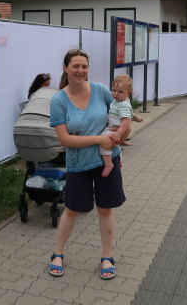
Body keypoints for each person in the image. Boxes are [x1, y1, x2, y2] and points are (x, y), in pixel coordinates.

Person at [48, 49, 128, 280]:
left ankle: (107, 257)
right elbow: (64, 139)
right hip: (78, 165)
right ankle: (58, 253)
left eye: (84, 66)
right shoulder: (58, 100)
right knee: (72, 210)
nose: (81, 71)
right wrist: (98, 139)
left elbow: (121, 115)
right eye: (76, 66)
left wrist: (123, 130)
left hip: (108, 161)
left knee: (105, 208)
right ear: (65, 68)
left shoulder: (101, 91)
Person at [99, 74, 134, 177]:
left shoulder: (123, 104)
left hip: (116, 128)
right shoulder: (118, 101)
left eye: (120, 92)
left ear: (129, 93)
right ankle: (118, 160)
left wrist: (119, 133)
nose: (116, 94)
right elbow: (130, 114)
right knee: (116, 146)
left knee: (103, 141)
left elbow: (126, 121)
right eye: (114, 90)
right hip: (113, 125)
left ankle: (108, 164)